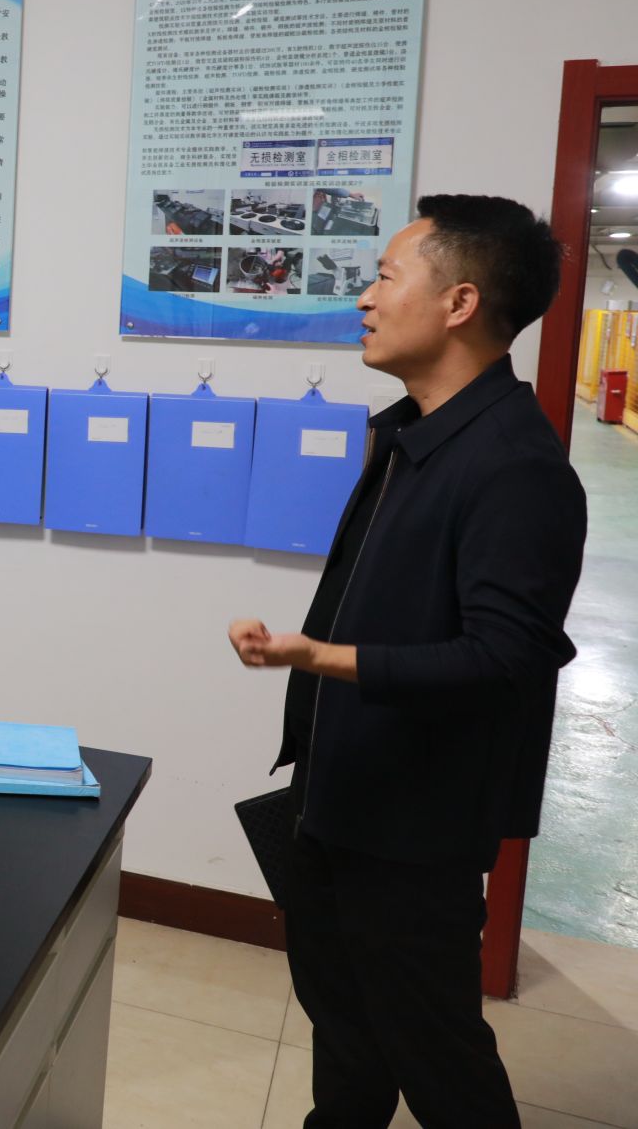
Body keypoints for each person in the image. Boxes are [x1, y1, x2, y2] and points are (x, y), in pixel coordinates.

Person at [227, 195, 586, 1128]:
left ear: (460, 302)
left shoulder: (515, 466)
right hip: (337, 795)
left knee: (440, 1064)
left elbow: (506, 658)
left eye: (387, 276)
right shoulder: (410, 433)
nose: (365, 296)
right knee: (348, 1042)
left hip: (412, 829)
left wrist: (322, 656)